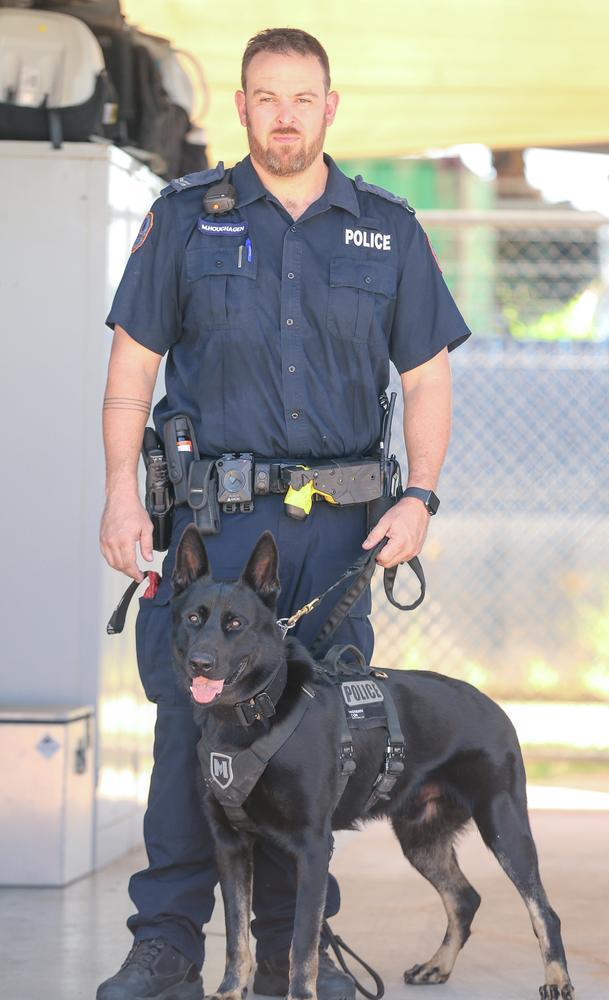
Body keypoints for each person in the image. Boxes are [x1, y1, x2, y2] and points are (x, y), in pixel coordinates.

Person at [98, 26, 471, 1000]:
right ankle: (168, 948)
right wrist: (114, 497)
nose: (284, 116)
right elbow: (130, 373)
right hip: (212, 540)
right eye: (266, 97)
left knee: (314, 744)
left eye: (302, 98)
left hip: (335, 538)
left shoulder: (385, 229)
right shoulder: (187, 217)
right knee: (195, 734)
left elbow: (425, 379)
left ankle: (288, 957)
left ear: (329, 107)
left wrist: (420, 495)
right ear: (243, 106)